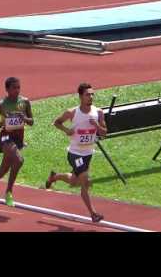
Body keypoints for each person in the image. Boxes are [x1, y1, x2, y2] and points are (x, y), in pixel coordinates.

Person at [46, 82, 107, 223]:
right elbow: (57, 122)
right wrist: (67, 130)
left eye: (92, 94)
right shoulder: (72, 112)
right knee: (85, 180)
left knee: (74, 181)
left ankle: (54, 177)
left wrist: (96, 126)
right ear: (80, 96)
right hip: (75, 153)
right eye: (87, 95)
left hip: (88, 153)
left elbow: (105, 133)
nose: (91, 97)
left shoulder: (98, 112)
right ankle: (93, 214)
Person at [0, 77, 33, 207]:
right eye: (14, 88)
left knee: (4, 168)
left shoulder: (25, 102)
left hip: (18, 137)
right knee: (19, 160)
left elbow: (32, 122)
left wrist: (25, 118)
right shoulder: (0, 104)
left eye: (18, 87)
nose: (17, 90)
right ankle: (9, 192)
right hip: (5, 137)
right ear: (7, 89)